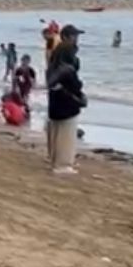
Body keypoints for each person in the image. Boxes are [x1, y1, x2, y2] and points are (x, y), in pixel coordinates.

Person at [47, 26, 87, 175]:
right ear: (67, 36)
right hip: (66, 98)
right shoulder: (67, 50)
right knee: (66, 132)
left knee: (56, 131)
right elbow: (70, 74)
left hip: (56, 96)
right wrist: (78, 91)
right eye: (74, 36)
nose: (76, 39)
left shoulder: (56, 52)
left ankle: (56, 161)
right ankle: (63, 164)